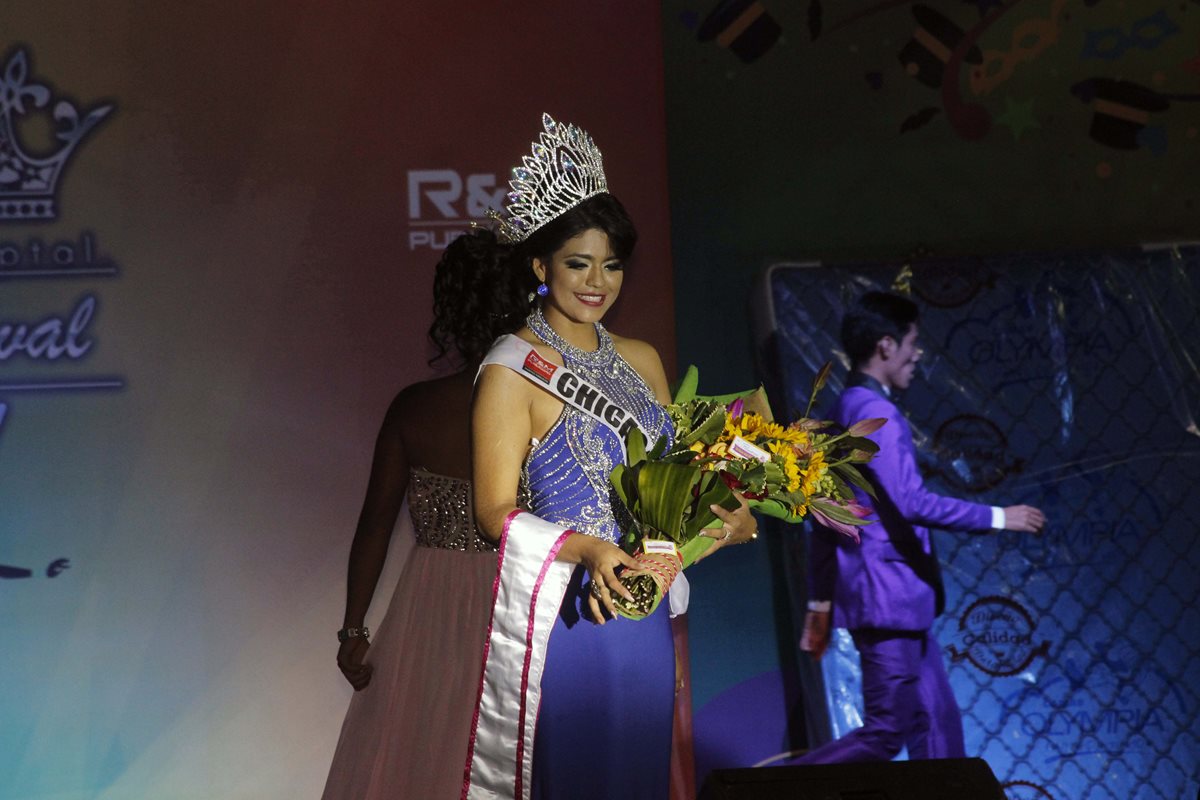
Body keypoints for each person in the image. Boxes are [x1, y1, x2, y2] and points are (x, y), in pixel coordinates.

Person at [463, 114, 757, 800]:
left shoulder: (644, 359)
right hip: (573, 613)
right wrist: (592, 550)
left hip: (643, 615)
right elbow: (492, 513)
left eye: (612, 264)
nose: (598, 281)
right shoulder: (512, 370)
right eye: (578, 263)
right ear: (541, 266)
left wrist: (726, 520)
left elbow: (676, 492)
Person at [320, 228, 532, 800]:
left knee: (428, 759)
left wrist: (353, 629)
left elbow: (375, 525)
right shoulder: (547, 405)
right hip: (522, 600)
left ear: (452, 309)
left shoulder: (414, 408)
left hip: (432, 608)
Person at [797, 291, 1045, 763]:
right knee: (886, 733)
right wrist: (999, 517)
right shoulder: (875, 413)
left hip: (896, 601)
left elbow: (825, 521)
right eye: (912, 342)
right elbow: (909, 501)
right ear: (886, 346)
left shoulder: (842, 410)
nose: (918, 354)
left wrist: (819, 605)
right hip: (887, 598)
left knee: (938, 733)